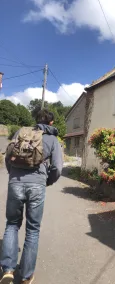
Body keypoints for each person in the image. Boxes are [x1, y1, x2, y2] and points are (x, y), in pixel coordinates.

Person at [0, 109, 63, 284]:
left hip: (16, 182)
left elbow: (8, 156)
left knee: (12, 224)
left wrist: (14, 175)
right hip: (37, 185)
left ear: (35, 120)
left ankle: (8, 270)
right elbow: (57, 167)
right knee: (33, 229)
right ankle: (26, 276)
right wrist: (47, 181)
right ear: (51, 123)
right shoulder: (52, 139)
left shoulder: (21, 132)